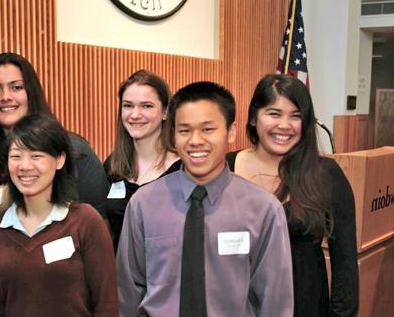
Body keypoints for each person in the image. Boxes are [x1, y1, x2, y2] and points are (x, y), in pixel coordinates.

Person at [116, 81, 294, 316]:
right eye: (184, 130)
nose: (195, 140)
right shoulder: (143, 204)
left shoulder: (263, 209)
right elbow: (128, 292)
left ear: (231, 131)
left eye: (208, 129)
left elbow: (274, 302)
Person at [226, 73, 359, 316]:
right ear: (254, 117)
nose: (284, 125)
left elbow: (346, 271)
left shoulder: (325, 175)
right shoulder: (224, 168)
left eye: (295, 116)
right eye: (274, 113)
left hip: (304, 307)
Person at [0, 113, 118, 316]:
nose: (25, 166)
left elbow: (106, 305)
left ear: (59, 160)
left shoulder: (86, 222)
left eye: (36, 156)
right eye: (16, 156)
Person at [0, 52, 109, 218]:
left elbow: (99, 224)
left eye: (16, 87)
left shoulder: (74, 151)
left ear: (31, 93)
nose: (5, 97)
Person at [104, 70, 180, 250]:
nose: (135, 115)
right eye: (128, 106)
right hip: (121, 274)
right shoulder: (113, 165)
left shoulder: (183, 170)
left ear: (165, 111)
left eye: (146, 106)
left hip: (166, 274)